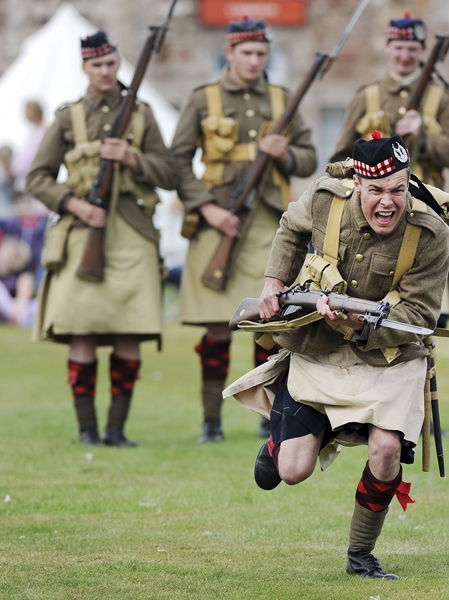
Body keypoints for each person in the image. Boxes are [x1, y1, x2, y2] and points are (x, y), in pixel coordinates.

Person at [224, 131, 449, 579]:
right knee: (291, 471)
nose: (388, 202)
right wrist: (274, 282)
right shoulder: (325, 198)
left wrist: (354, 322)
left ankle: (360, 554)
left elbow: (418, 314)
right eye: (377, 191)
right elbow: (291, 227)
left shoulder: (431, 233)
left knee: (386, 450)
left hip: (392, 353)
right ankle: (277, 444)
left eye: (399, 190)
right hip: (320, 345)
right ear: (357, 185)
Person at [26, 30, 176, 446]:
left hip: (132, 233)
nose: (105, 72)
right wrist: (73, 205)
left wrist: (132, 158)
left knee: (129, 330)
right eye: (96, 65)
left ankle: (116, 430)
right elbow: (37, 177)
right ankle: (88, 431)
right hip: (81, 234)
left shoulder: (142, 113)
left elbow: (168, 172)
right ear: (84, 67)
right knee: (82, 330)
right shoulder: (66, 116)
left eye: (111, 64)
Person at [171, 17, 317, 443]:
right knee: (217, 326)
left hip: (269, 223)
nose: (255, 61)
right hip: (220, 220)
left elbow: (310, 159)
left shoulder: (282, 98)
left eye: (261, 53)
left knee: (266, 319)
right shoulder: (204, 99)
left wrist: (285, 153)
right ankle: (211, 421)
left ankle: (267, 415)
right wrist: (208, 209)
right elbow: (178, 161)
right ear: (230, 52)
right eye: (247, 53)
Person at [330, 13, 449, 327]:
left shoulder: (440, 98)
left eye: (412, 47)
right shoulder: (367, 96)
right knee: (364, 318)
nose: (405, 55)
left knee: (423, 322)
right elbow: (340, 158)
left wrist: (424, 135)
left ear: (422, 50)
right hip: (372, 219)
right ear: (387, 46)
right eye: (399, 46)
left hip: (424, 215)